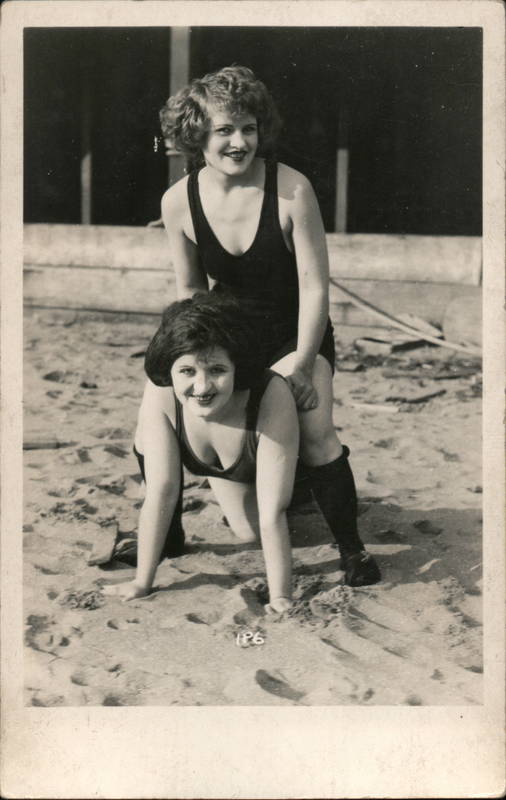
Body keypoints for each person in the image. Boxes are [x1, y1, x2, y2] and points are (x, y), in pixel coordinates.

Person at [158, 65, 380, 587]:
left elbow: (316, 288)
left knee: (315, 426)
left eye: (249, 129)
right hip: (229, 335)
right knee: (162, 405)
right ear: (197, 135)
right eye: (224, 130)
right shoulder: (176, 202)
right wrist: (190, 361)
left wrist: (304, 363)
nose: (240, 142)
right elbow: (189, 291)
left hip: (295, 330)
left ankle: (352, 550)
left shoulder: (291, 189)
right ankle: (167, 531)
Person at [104, 293, 298, 613]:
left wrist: (280, 597)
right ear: (171, 369)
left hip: (266, 459)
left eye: (217, 369)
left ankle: (247, 482)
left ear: (238, 365)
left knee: (251, 530)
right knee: (156, 469)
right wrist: (142, 582)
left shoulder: (271, 395)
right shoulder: (161, 392)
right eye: (188, 371)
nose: (202, 386)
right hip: (203, 456)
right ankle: (215, 474)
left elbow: (271, 512)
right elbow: (163, 490)